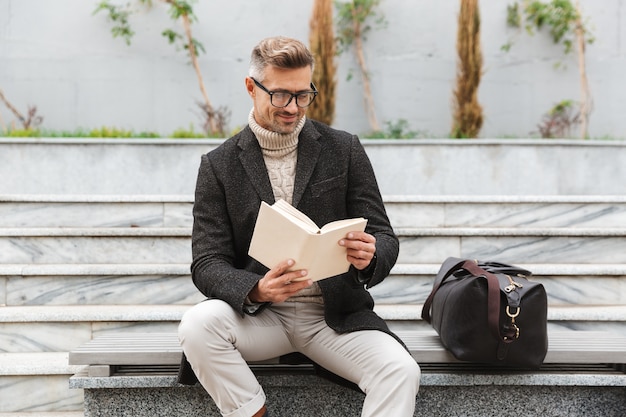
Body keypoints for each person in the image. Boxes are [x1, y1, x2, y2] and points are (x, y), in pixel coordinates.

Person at [177, 36, 420, 417]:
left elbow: (384, 235)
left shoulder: (344, 148)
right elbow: (207, 261)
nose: (293, 107)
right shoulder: (218, 164)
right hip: (259, 317)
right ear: (250, 88)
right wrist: (256, 290)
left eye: (303, 95)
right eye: (280, 95)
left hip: (333, 317)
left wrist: (371, 256)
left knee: (400, 371)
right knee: (197, 325)